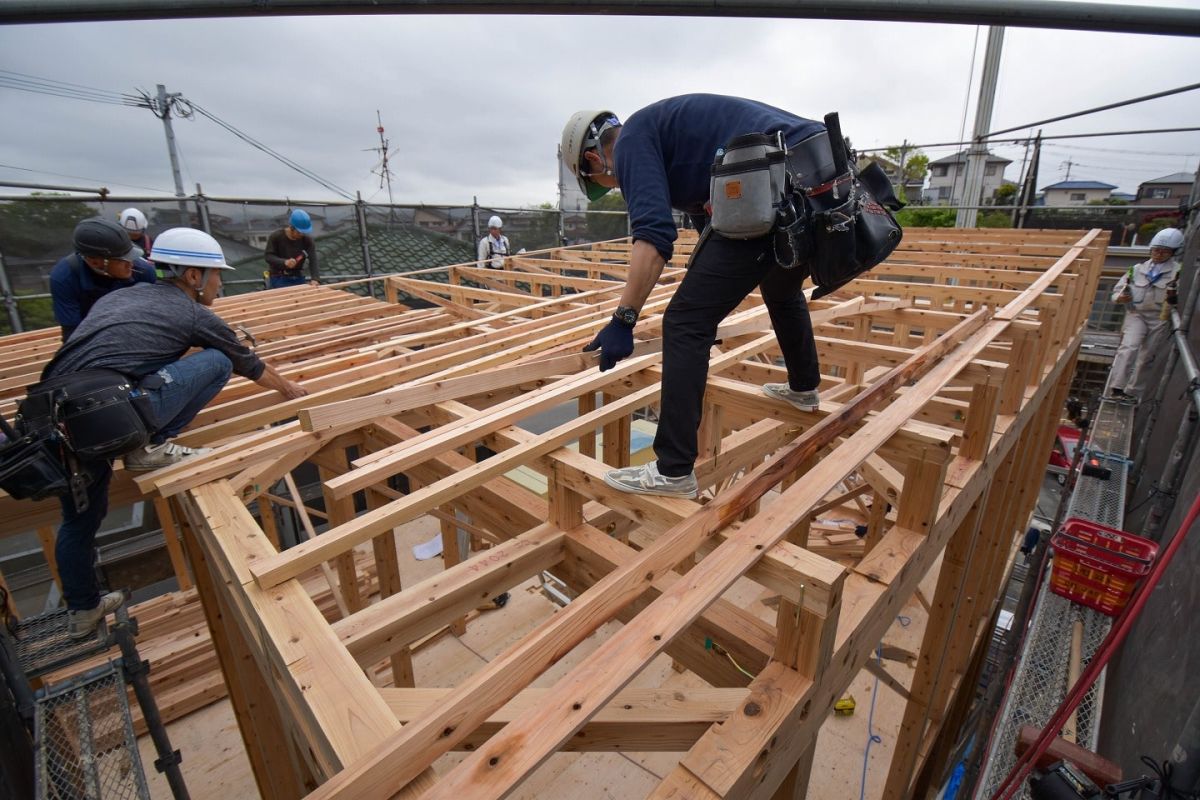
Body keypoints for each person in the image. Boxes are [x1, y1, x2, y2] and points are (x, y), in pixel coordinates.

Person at [41, 227, 308, 638]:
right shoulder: (193, 313)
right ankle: (151, 445)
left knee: (80, 521)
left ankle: (83, 611)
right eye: (215, 275)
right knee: (218, 360)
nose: (220, 282)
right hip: (107, 409)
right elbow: (247, 364)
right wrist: (293, 391)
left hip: (60, 414)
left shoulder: (120, 297)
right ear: (192, 276)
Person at [561, 94, 827, 498]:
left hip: (773, 186)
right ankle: (804, 387)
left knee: (685, 322)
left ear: (595, 160)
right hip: (817, 180)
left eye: (603, 182)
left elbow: (653, 237)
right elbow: (712, 225)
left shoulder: (632, 142)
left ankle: (672, 470)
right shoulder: (674, 138)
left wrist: (624, 320)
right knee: (780, 284)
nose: (613, 185)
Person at [1106, 227, 1186, 401]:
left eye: (1164, 251)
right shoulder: (1136, 270)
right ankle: (1117, 387)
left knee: (1147, 356)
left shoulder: (1178, 272)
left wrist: (1174, 299)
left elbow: (1182, 300)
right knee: (1129, 348)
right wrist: (1120, 297)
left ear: (1173, 252)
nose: (1158, 254)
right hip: (1136, 314)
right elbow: (1116, 293)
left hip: (1159, 318)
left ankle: (1132, 391)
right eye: (1156, 250)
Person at [50, 217, 156, 341]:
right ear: (94, 262)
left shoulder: (143, 270)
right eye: (123, 260)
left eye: (131, 257)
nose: (131, 264)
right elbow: (72, 334)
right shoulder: (65, 278)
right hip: (92, 336)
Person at [264, 209, 320, 289]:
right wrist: (284, 262)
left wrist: (315, 279)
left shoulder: (307, 240)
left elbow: (313, 260)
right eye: (299, 232)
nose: (301, 235)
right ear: (291, 228)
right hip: (279, 277)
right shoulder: (276, 237)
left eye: (303, 232)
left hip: (298, 277)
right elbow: (268, 256)